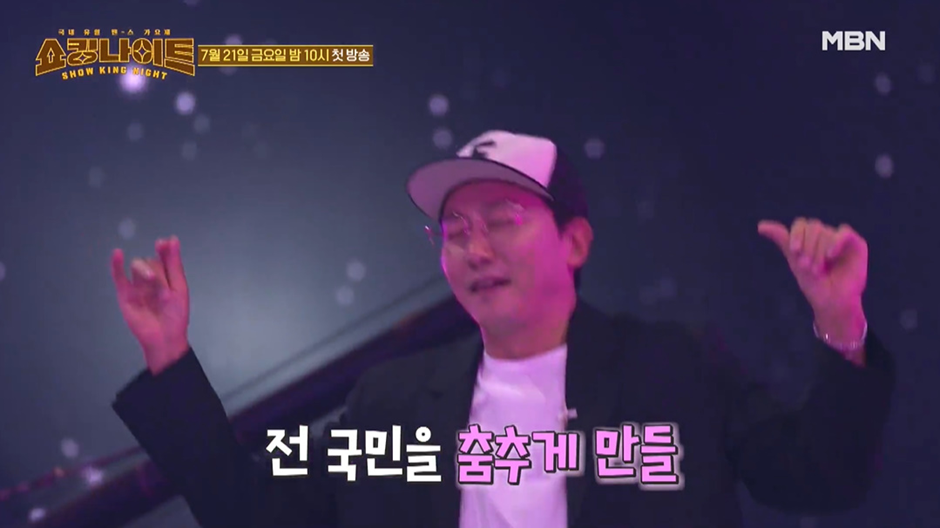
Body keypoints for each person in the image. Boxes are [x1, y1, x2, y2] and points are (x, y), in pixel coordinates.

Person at [111, 130, 895, 528]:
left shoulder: (676, 370)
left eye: (502, 219)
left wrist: (840, 319)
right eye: (455, 231)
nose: (474, 248)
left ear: (574, 242)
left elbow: (821, 477)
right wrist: (170, 356)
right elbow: (254, 513)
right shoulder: (393, 403)